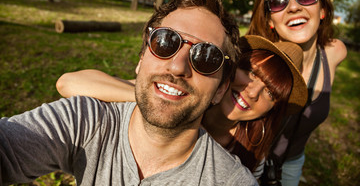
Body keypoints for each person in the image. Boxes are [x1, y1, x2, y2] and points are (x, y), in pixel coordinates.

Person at [0, 0, 258, 185]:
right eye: (165, 42)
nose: (178, 67)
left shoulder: (230, 180)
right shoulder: (85, 122)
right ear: (142, 57)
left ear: (221, 89)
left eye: (206, 57)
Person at [56, 35, 308, 178]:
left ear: (272, 110)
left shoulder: (251, 155)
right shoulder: (187, 89)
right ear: (230, 69)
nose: (252, 92)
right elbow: (68, 83)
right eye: (250, 73)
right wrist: (162, 102)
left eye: (270, 94)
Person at [248, 0, 347, 186]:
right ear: (270, 21)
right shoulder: (257, 64)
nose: (293, 6)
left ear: (322, 10)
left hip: (291, 165)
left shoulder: (336, 52)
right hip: (248, 162)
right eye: (278, 2)